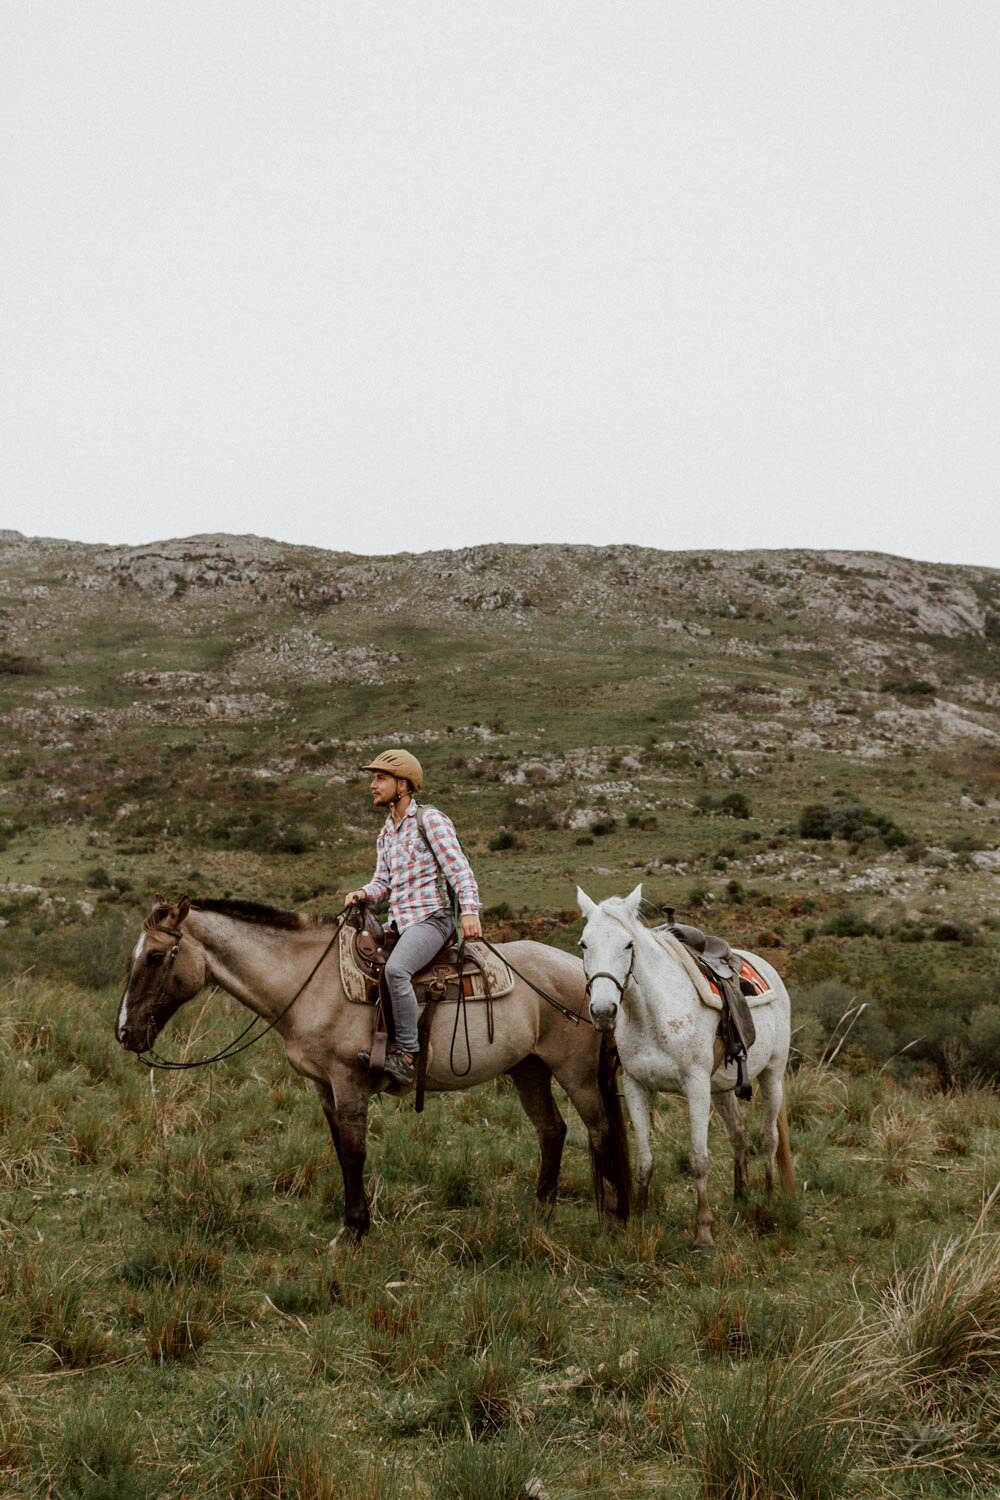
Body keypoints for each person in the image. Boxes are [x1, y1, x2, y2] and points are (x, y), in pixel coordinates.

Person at [346, 748, 482, 1087]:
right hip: (399, 925)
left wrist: (469, 910)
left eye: (380, 778)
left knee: (396, 970)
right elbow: (382, 884)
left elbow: (458, 868)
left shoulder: (429, 820)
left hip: (433, 919)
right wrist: (363, 893)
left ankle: (407, 1056)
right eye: (373, 779)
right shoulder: (385, 833)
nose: (373, 785)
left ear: (403, 785)